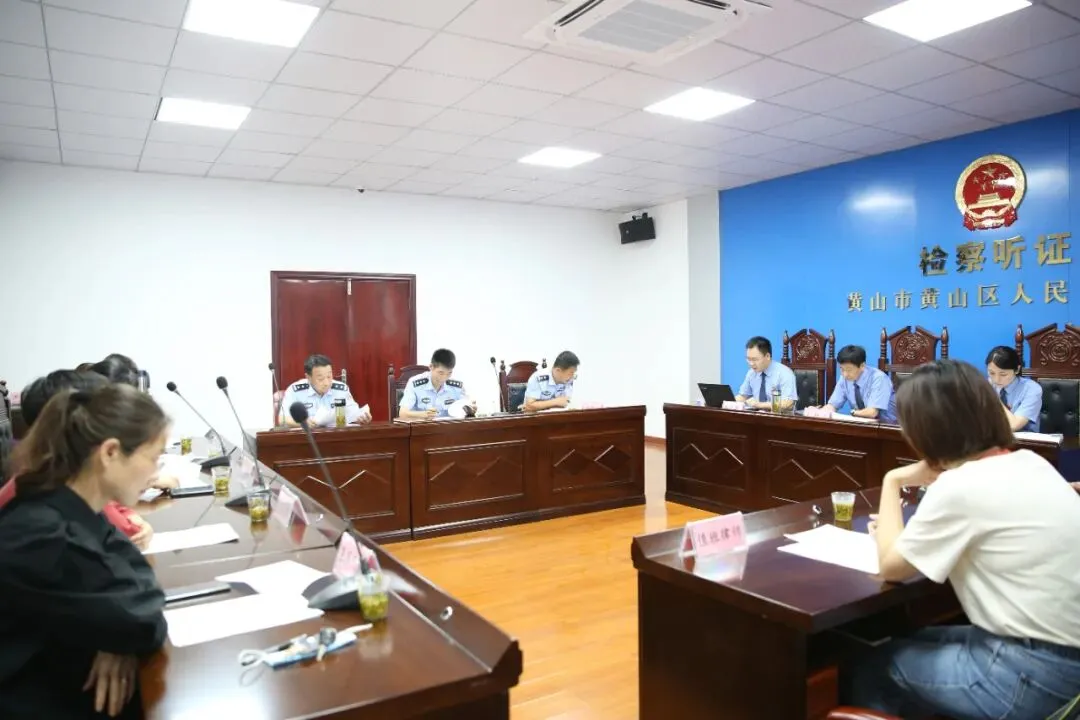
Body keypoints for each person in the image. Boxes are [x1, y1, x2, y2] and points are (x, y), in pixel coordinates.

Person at [844, 359, 1080, 719]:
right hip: (1062, 658)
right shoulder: (1031, 462)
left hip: (1032, 671)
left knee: (872, 667)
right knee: (909, 639)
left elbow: (890, 567)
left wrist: (894, 479)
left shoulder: (961, 484)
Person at [0, 383, 169, 719]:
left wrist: (116, 638)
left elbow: (132, 577)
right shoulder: (42, 532)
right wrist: (120, 634)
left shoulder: (68, 504)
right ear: (110, 453)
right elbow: (142, 618)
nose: (155, 472)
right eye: (153, 458)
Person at [0, 370, 159, 549]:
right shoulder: (59, 489)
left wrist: (132, 516)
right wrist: (136, 525)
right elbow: (124, 534)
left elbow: (115, 513)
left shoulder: (41, 471)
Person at [279, 354, 371, 427]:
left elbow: (353, 413)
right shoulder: (295, 391)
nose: (326, 383)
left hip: (336, 438)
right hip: (307, 438)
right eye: (320, 379)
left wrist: (362, 418)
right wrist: (302, 423)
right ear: (308, 377)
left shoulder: (341, 389)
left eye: (329, 376)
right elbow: (282, 419)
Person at [819, 345, 897, 423]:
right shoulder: (844, 378)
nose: (845, 374)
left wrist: (853, 413)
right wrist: (822, 412)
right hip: (863, 425)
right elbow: (833, 405)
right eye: (842, 369)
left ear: (862, 366)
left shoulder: (879, 378)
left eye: (849, 370)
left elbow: (872, 413)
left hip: (889, 426)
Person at [399, 349, 475, 419]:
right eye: (441, 373)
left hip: (450, 427)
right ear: (431, 367)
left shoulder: (456, 386)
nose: (444, 378)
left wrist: (471, 409)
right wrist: (423, 414)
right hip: (423, 427)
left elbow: (466, 408)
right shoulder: (415, 384)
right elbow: (402, 413)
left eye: (449, 373)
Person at [986, 345, 1043, 432]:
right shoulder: (988, 384)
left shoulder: (1032, 389)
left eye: (1003, 374)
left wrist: (994, 397)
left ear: (1017, 369)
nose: (996, 380)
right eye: (992, 373)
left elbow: (1013, 425)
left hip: (1023, 439)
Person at [735, 336, 797, 410]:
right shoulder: (751, 373)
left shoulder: (785, 373)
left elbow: (788, 403)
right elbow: (743, 396)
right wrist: (726, 401)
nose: (751, 364)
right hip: (757, 415)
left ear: (767, 356)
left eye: (755, 359)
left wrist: (760, 405)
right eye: (748, 359)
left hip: (779, 415)